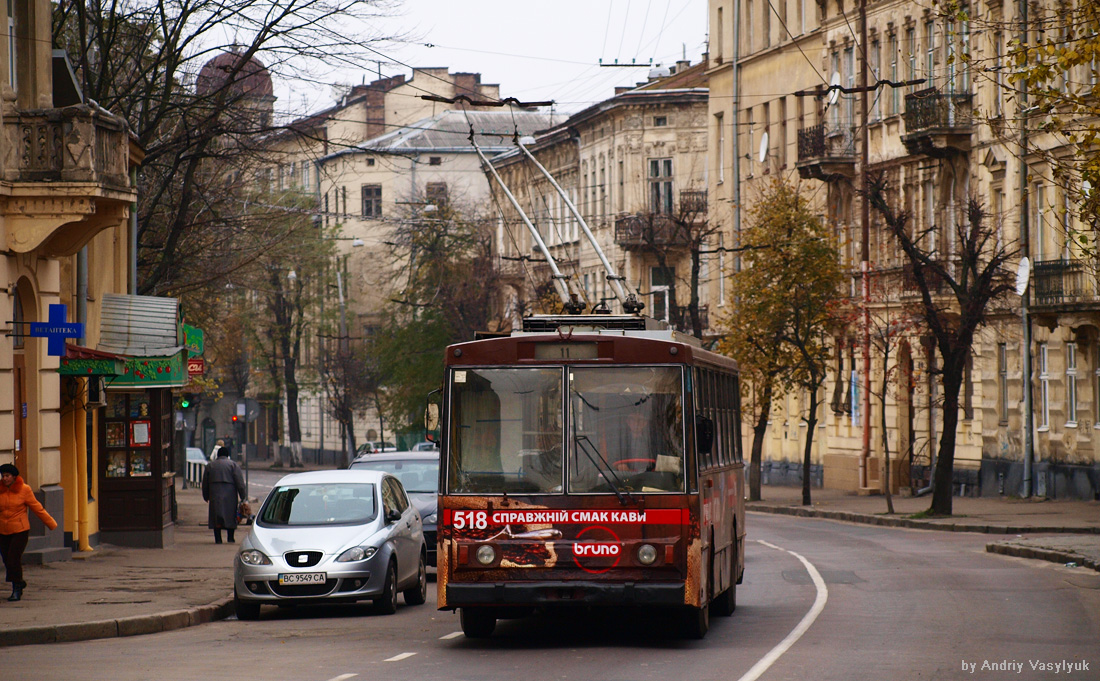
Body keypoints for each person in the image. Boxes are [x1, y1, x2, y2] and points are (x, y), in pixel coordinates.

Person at [0, 463, 58, 602]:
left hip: (20, 530)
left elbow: (37, 508)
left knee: (13, 558)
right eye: (3, 476)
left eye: (7, 476)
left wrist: (51, 523)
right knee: (6, 559)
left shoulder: (24, 489)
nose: (5, 479)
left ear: (14, 476)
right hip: (2, 530)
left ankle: (16, 589)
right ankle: (19, 581)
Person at [201, 446, 247, 544]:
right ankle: (230, 537)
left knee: (216, 515)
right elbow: (240, 482)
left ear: (218, 455)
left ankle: (218, 539)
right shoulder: (233, 465)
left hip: (214, 493)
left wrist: (206, 495)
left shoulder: (210, 466)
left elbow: (205, 483)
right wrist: (243, 496)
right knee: (230, 515)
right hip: (230, 494)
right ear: (227, 455)